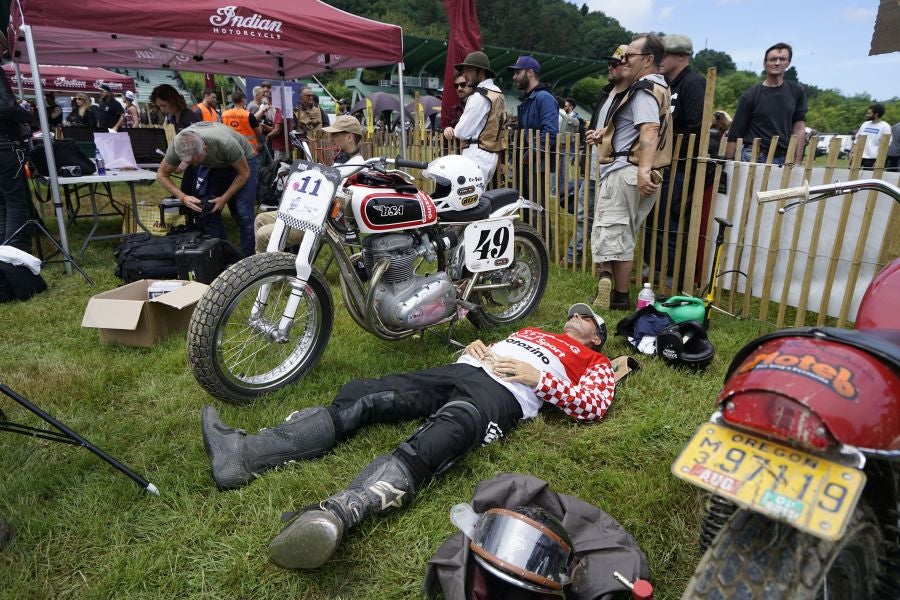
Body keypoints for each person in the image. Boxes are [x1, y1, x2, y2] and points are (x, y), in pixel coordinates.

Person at [200, 303, 615, 570]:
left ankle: (339, 513)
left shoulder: (594, 361)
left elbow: (593, 406)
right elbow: (501, 346)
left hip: (501, 395)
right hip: (464, 369)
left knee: (448, 433)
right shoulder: (532, 331)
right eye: (575, 313)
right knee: (368, 395)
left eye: (586, 318)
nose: (575, 316)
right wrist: (479, 345)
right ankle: (245, 454)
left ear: (596, 336)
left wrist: (539, 378)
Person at [590, 33, 672, 310]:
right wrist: (605, 133)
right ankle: (614, 288)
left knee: (614, 233)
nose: (624, 59)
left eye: (630, 55)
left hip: (627, 170)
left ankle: (619, 295)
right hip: (637, 170)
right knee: (622, 232)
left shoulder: (644, 89)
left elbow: (649, 130)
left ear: (648, 60)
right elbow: (636, 128)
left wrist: (642, 170)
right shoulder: (658, 87)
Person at [644, 34, 706, 291]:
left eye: (665, 55)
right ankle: (653, 268)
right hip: (664, 163)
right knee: (654, 217)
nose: (660, 60)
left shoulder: (693, 83)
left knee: (669, 220)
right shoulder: (666, 84)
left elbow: (694, 125)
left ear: (681, 57)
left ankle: (670, 274)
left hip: (680, 166)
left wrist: (668, 140)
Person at [254, 114, 366, 253]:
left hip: (319, 219)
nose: (331, 139)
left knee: (262, 235)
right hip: (307, 210)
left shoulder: (357, 167)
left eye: (335, 135)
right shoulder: (342, 162)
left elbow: (340, 206)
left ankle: (268, 271)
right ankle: (274, 265)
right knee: (260, 219)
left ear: (349, 137)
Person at [563, 45, 630, 270]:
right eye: (609, 63)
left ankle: (604, 265)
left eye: (615, 64)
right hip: (594, 165)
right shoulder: (606, 93)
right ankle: (574, 256)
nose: (609, 67)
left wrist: (605, 138)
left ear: (627, 66)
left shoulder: (632, 95)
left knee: (610, 219)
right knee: (584, 213)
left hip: (615, 169)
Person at [155, 122, 258, 257]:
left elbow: (244, 174)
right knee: (208, 209)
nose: (196, 164)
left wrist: (224, 198)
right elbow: (161, 175)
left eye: (197, 160)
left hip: (244, 161)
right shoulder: (178, 146)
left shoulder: (225, 143)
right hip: (216, 164)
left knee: (244, 213)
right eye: (191, 162)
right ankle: (223, 255)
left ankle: (248, 258)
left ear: (204, 147)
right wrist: (183, 197)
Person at [725, 42, 806, 166]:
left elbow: (799, 128)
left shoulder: (796, 91)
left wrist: (797, 162)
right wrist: (728, 163)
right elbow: (736, 131)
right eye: (773, 59)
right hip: (754, 155)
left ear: (788, 63)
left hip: (783, 157)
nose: (777, 62)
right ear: (765, 64)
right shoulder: (751, 95)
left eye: (782, 59)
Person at [510, 56, 558, 236]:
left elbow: (550, 133)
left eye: (517, 72)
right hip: (526, 165)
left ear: (530, 72)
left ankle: (543, 247)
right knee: (527, 208)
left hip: (538, 166)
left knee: (538, 209)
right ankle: (531, 243)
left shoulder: (544, 98)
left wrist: (531, 154)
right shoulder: (529, 99)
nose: (514, 77)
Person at [443, 51, 508, 185]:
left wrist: (455, 129)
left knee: (467, 201)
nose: (465, 75)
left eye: (469, 70)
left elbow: (461, 132)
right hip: (490, 155)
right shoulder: (498, 92)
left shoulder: (479, 96)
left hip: (476, 154)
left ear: (482, 71)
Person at [0, 62, 35, 253]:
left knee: (3, 204)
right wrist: (27, 115)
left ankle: (5, 258)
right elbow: (7, 108)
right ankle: (16, 260)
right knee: (14, 203)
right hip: (5, 147)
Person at [850, 103, 892, 170]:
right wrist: (852, 152)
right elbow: (857, 139)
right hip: (858, 156)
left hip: (872, 158)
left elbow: (885, 146)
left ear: (876, 114)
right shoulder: (865, 124)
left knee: (868, 179)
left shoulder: (885, 127)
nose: (867, 115)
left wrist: (878, 161)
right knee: (852, 177)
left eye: (869, 113)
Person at [221, 90, 262, 156]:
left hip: (232, 149)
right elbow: (259, 132)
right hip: (249, 150)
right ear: (243, 100)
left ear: (233, 101)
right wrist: (260, 125)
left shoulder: (224, 115)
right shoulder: (248, 115)